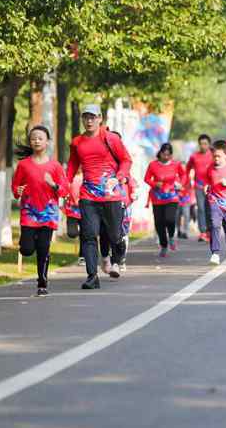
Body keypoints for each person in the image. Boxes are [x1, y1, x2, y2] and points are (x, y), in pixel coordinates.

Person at [67, 104, 133, 290]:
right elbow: (72, 165)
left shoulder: (110, 138)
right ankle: (91, 276)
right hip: (88, 195)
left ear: (100, 118)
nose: (89, 121)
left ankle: (117, 254)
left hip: (111, 196)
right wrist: (65, 186)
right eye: (86, 117)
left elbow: (126, 160)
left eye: (93, 117)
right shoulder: (77, 142)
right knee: (88, 235)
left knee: (114, 235)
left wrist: (118, 178)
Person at [12, 126, 70, 296]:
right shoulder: (23, 165)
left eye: (40, 138)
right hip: (29, 213)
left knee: (44, 248)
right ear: (30, 142)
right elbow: (15, 186)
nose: (36, 141)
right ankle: (28, 245)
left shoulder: (55, 166)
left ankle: (42, 282)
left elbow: (64, 190)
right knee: (27, 249)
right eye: (33, 138)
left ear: (47, 142)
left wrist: (53, 184)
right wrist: (18, 191)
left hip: (48, 213)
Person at [144, 142, 187, 257]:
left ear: (171, 155)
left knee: (170, 219)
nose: (166, 157)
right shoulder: (153, 165)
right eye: (164, 154)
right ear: (160, 153)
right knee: (159, 223)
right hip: (157, 197)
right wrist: (154, 183)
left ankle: (172, 236)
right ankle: (164, 245)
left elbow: (184, 175)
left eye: (168, 155)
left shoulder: (176, 164)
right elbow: (146, 178)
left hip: (172, 196)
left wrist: (180, 184)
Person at [186, 135, 213, 242]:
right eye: (201, 144)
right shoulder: (194, 156)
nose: (203, 146)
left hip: (212, 186)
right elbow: (187, 168)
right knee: (201, 209)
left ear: (209, 144)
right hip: (199, 186)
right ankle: (202, 232)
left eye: (205, 144)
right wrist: (187, 181)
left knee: (210, 209)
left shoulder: (213, 155)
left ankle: (210, 231)